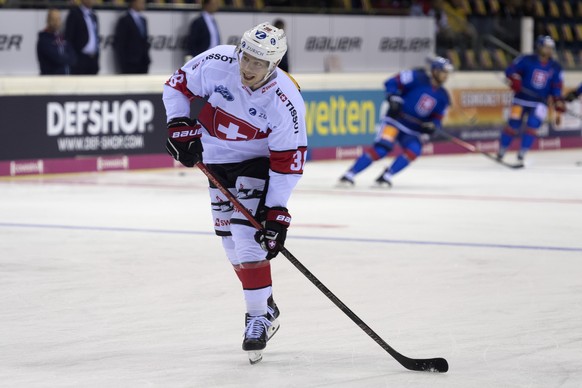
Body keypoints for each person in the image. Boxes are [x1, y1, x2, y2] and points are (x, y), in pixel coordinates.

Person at [162, 22, 307, 363]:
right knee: (229, 242)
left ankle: (257, 317)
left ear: (275, 64)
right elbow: (176, 86)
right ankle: (265, 304)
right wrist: (178, 123)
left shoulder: (285, 100)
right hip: (214, 158)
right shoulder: (218, 61)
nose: (248, 67)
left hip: (255, 162)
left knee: (245, 238)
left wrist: (276, 212)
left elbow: (288, 163)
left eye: (259, 62)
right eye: (246, 57)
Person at [339, 57, 452, 188]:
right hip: (395, 121)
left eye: (447, 73)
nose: (446, 76)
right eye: (444, 72)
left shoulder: (443, 96)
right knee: (382, 148)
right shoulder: (416, 77)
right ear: (435, 71)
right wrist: (393, 97)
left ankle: (386, 176)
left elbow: (437, 118)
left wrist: (433, 126)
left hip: (412, 130)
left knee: (414, 150)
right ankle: (349, 174)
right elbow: (391, 82)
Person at [496, 35, 565, 165]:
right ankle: (502, 151)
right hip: (520, 100)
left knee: (533, 126)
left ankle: (522, 153)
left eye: (550, 48)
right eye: (546, 47)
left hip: (540, 103)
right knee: (512, 125)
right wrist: (514, 79)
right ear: (539, 47)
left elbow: (557, 86)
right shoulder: (526, 59)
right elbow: (510, 70)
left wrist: (557, 100)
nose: (548, 50)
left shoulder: (556, 67)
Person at [113, 0, 151, 74]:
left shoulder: (143, 20)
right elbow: (120, 44)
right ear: (133, 2)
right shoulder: (124, 20)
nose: (143, 3)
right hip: (130, 64)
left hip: (143, 63)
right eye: (141, 1)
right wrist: (123, 65)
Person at [36, 8, 76, 75]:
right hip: (50, 80)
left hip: (65, 79)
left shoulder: (62, 38)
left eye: (58, 19)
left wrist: (66, 58)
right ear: (48, 20)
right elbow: (57, 58)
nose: (56, 22)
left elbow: (73, 58)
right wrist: (67, 58)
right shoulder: (44, 40)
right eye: (54, 19)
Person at [64, 0, 100, 74]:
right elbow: (69, 38)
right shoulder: (74, 14)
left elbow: (95, 36)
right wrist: (73, 59)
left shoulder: (94, 15)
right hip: (80, 59)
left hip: (93, 60)